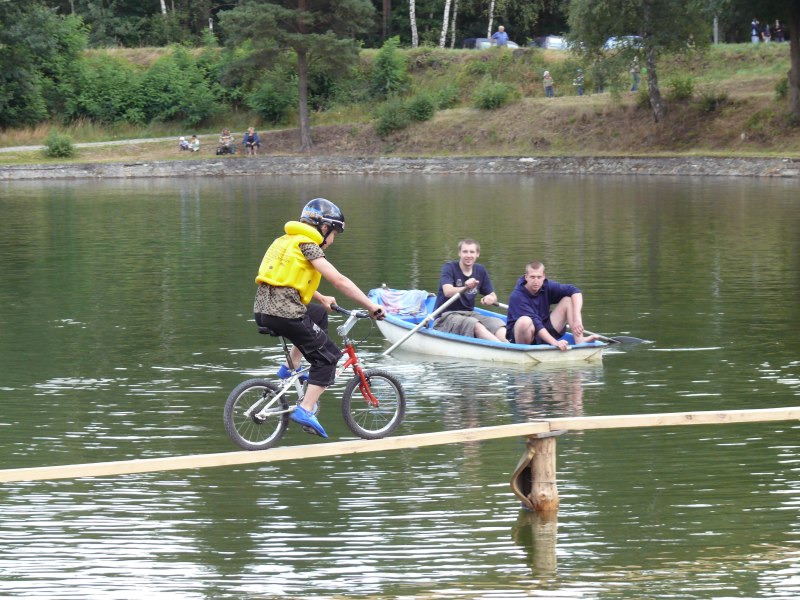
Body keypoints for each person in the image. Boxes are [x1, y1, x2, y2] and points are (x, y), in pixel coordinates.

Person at [253, 198, 385, 438]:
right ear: (324, 228)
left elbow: (285, 278)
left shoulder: (284, 241)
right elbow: (339, 280)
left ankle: (291, 367)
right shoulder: (309, 245)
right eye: (334, 234)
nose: (332, 240)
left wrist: (321, 297)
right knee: (330, 358)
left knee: (317, 314)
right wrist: (371, 306)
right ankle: (305, 409)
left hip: (263, 311)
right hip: (286, 313)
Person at [506, 261, 599, 351]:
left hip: (543, 330)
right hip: (523, 337)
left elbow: (575, 291)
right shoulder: (517, 296)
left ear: (544, 276)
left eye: (539, 277)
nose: (536, 281)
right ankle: (524, 351)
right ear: (526, 277)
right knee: (525, 321)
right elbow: (536, 324)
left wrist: (577, 319)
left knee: (568, 300)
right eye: (532, 277)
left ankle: (579, 340)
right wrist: (555, 343)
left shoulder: (547, 286)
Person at [431, 239, 507, 343]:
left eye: (472, 252)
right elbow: (447, 292)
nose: (468, 255)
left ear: (477, 254)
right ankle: (502, 349)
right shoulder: (449, 267)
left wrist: (491, 298)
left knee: (497, 324)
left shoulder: (480, 270)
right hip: (445, 316)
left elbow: (492, 295)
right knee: (475, 325)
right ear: (459, 253)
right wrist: (465, 287)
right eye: (465, 252)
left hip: (469, 313)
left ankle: (509, 346)